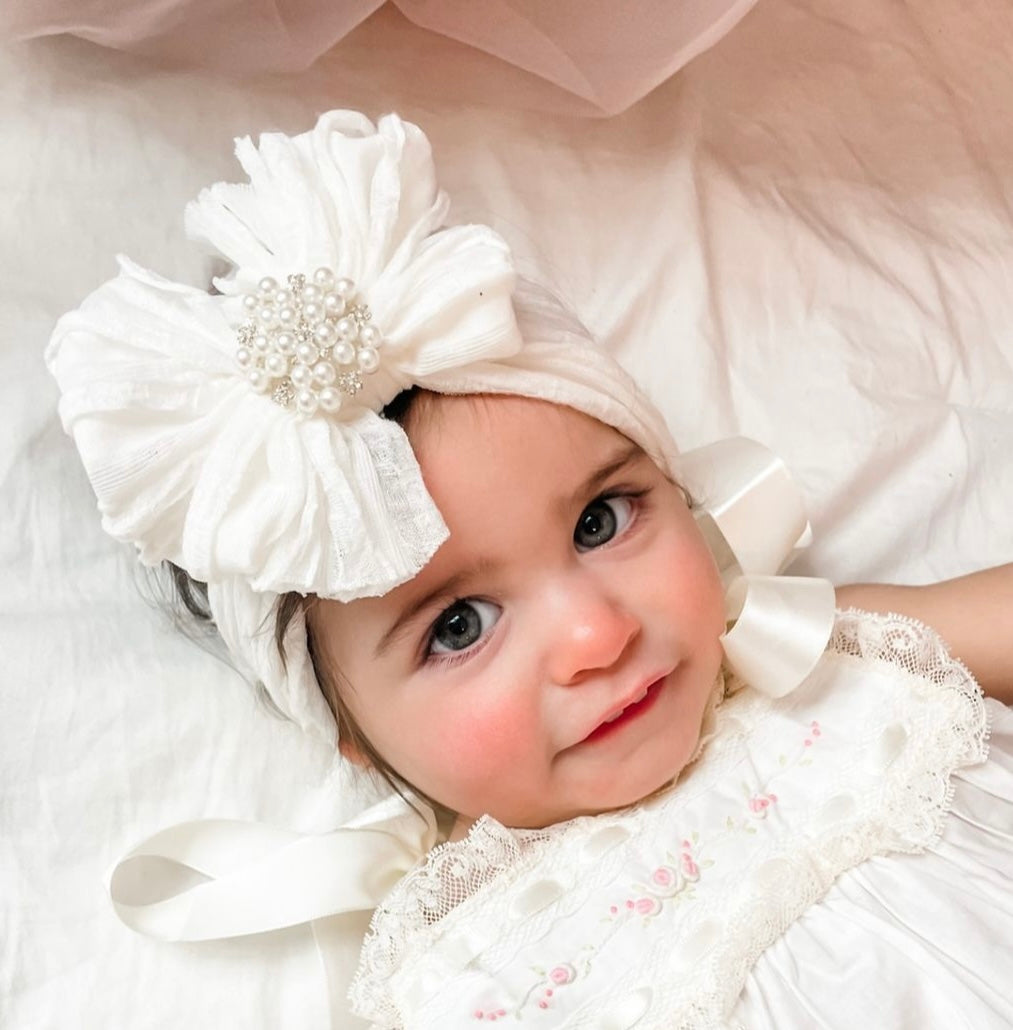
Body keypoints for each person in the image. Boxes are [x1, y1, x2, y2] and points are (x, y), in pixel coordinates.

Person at [47, 110, 1012, 1029]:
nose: (598, 635)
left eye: (600, 520)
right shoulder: (467, 967)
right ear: (352, 734)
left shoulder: (814, 654)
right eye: (458, 626)